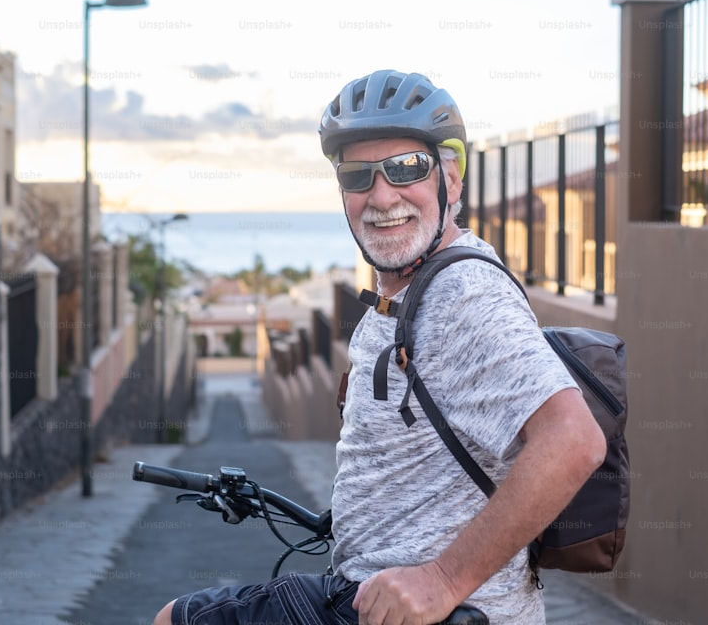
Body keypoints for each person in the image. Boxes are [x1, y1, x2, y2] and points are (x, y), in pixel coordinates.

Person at [152, 70, 605, 625]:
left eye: (406, 168)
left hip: (440, 612)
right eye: (358, 175)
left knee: (176, 620)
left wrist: (442, 580)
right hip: (367, 592)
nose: (382, 194)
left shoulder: (462, 293)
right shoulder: (399, 295)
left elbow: (574, 440)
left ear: (452, 179)